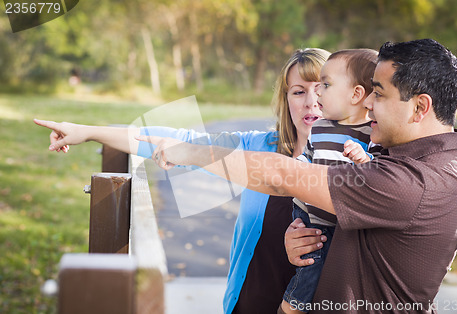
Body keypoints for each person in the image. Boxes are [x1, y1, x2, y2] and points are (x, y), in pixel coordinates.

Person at [138, 39, 457, 314]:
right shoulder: (421, 153)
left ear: (420, 108)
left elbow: (282, 174)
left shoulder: (414, 182)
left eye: (379, 94)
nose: (367, 101)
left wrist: (189, 153)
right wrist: (301, 238)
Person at [34, 48, 330, 314]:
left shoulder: (355, 162)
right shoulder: (260, 147)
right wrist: (86, 131)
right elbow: (180, 140)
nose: (311, 102)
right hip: (250, 303)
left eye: (322, 89)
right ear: (286, 99)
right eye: (299, 92)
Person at [281, 49, 378, 314]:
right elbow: (307, 157)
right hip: (310, 213)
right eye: (299, 91)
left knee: (330, 270)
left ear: (356, 94)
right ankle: (292, 305)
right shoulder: (322, 127)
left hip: (342, 219)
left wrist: (364, 158)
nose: (316, 96)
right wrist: (293, 170)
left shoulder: (373, 132)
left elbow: (379, 173)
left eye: (324, 86)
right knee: (311, 265)